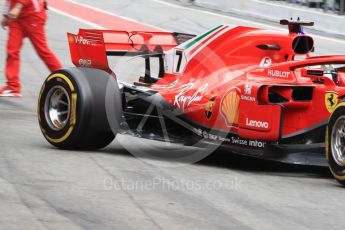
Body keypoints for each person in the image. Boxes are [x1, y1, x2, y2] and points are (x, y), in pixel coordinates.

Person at [0, 0, 62, 97]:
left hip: (33, 15)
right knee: (12, 50)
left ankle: (63, 77)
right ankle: (13, 86)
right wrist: (5, 15)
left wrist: (18, 6)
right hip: (17, 18)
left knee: (43, 51)